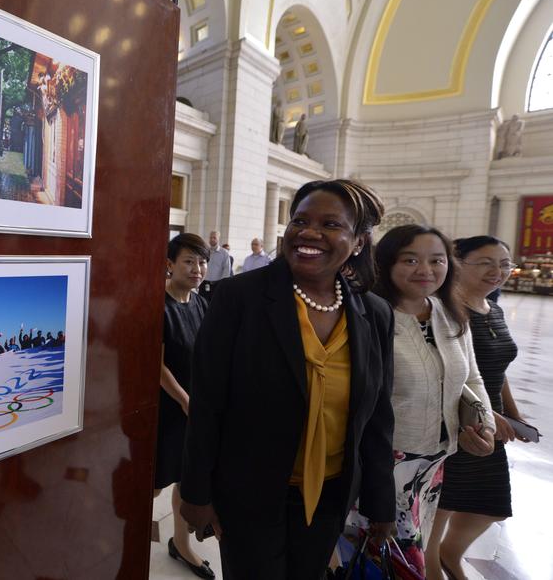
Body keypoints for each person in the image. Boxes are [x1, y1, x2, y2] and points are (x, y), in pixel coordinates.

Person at [180, 179, 396, 579]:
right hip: (249, 492)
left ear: (359, 242)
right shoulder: (238, 299)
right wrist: (195, 493)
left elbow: (378, 417)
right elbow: (208, 404)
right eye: (300, 220)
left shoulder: (374, 314)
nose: (309, 232)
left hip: (330, 495)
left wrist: (382, 501)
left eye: (331, 224)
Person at [369, 225, 496, 578]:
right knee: (394, 560)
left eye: (436, 260)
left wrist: (483, 425)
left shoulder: (449, 313)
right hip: (383, 464)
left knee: (404, 555)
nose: (425, 270)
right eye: (410, 260)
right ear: (386, 264)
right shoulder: (370, 315)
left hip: (433, 462)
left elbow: (472, 378)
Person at [430, 236, 532, 580]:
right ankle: (434, 567)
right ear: (456, 263)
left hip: (490, 423)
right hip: (456, 423)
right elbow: (443, 375)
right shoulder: (442, 312)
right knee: (437, 511)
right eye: (487, 262)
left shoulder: (494, 309)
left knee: (489, 505)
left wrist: (513, 415)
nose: (498, 271)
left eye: (505, 264)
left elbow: (497, 370)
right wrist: (491, 414)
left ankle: (450, 553)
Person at [155, 233, 213, 579]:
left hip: (196, 406)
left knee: (184, 478)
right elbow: (157, 366)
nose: (197, 268)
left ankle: (180, 543)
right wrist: (184, 399)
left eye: (201, 261)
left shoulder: (200, 304)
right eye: (189, 261)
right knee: (156, 481)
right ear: (170, 264)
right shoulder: (158, 305)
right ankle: (124, 540)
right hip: (167, 408)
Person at [200, 230, 232, 300]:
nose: (212, 239)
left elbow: (226, 270)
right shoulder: (205, 251)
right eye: (210, 238)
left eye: (214, 238)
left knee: (215, 303)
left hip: (217, 284)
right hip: (204, 283)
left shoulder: (224, 253)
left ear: (218, 239)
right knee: (202, 303)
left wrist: (223, 284)